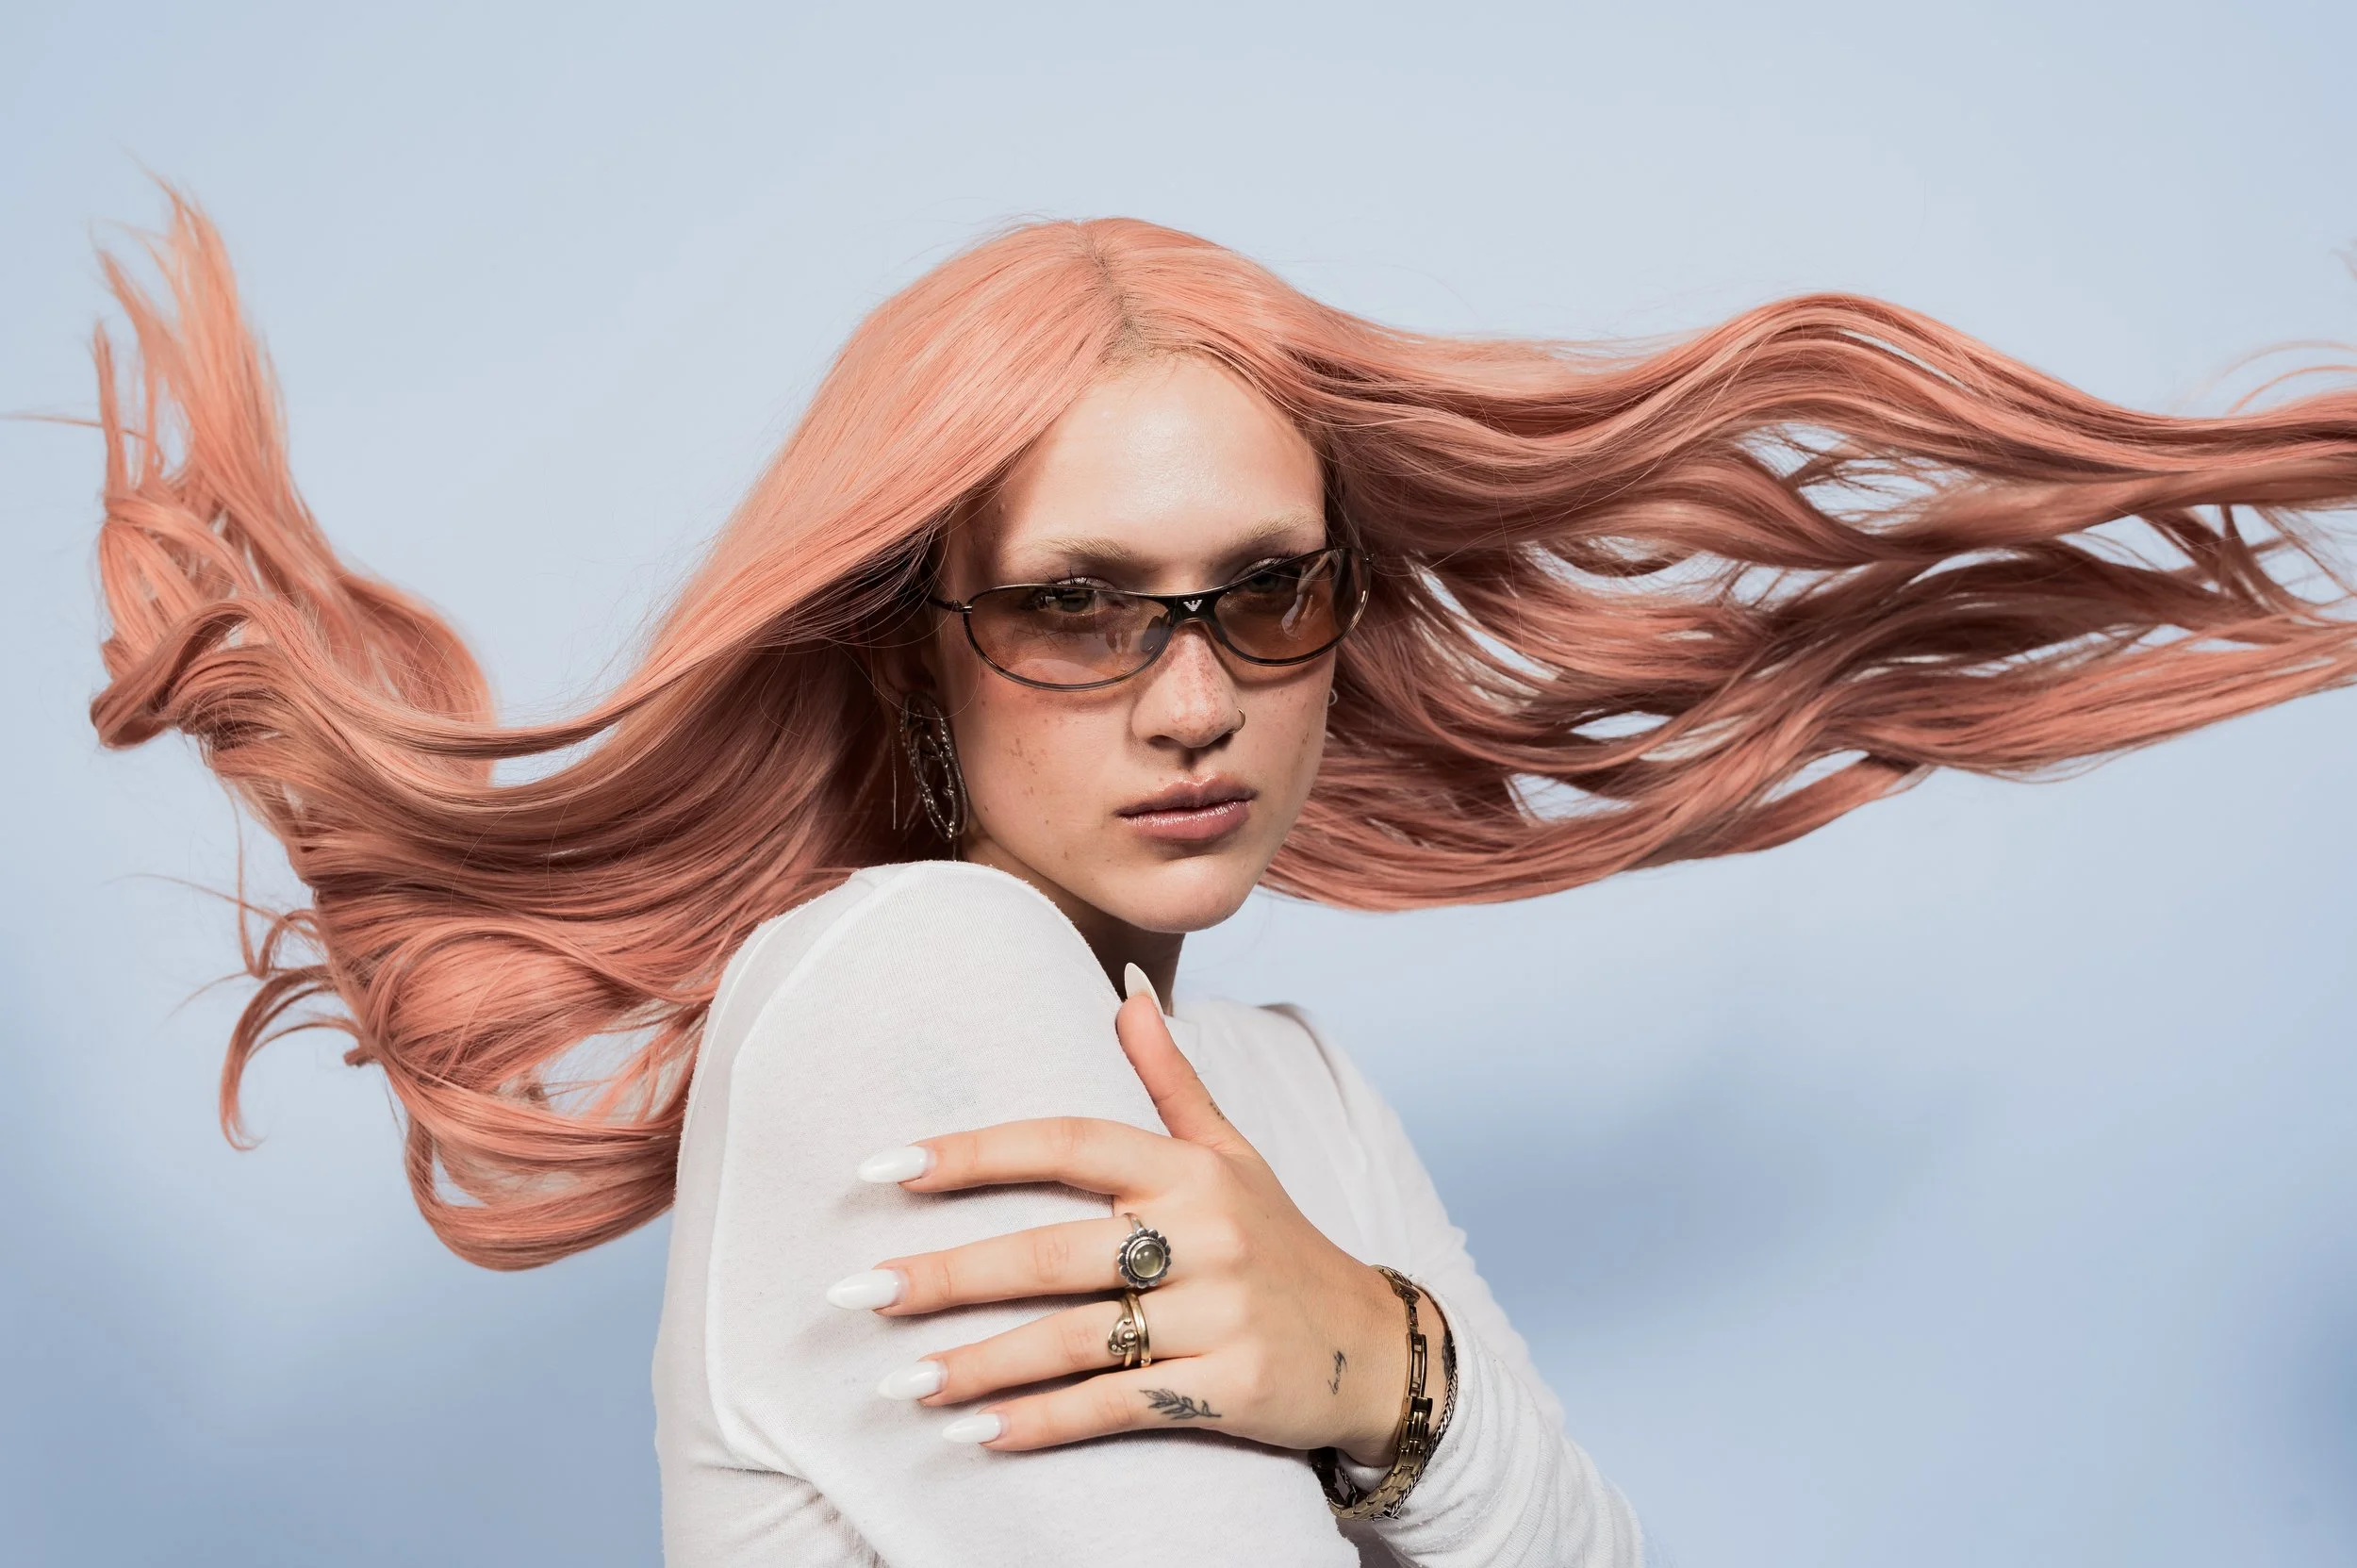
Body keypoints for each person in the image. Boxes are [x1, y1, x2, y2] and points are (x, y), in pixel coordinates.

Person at [83, 195, 2357, 1566]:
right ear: (918, 662)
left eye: (1260, 596)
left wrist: (1388, 1365)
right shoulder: (909, 980)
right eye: (1080, 605)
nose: (1191, 702)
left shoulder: (1288, 1091)